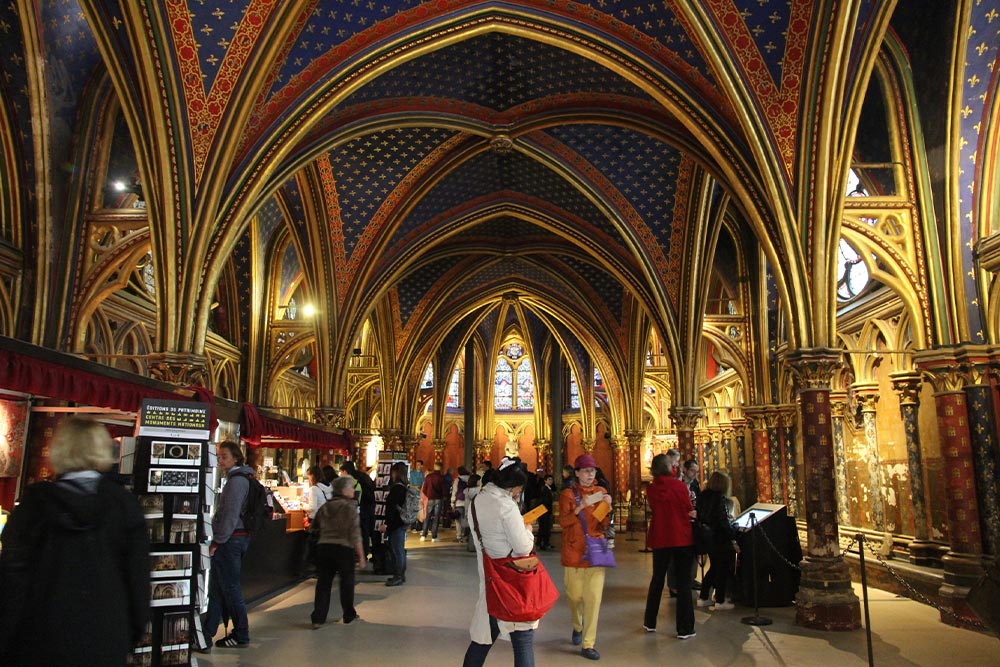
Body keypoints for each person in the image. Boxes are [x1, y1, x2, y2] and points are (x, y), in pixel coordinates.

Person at [0, 417, 150, 667]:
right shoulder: (124, 506)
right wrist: (126, 636)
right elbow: (138, 580)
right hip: (104, 639)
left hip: (39, 639)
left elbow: (12, 580)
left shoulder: (34, 505)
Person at [463, 457, 538, 667]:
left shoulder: (478, 500)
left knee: (482, 639)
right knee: (523, 640)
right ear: (513, 486)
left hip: (488, 578)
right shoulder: (506, 506)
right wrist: (528, 531)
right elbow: (522, 547)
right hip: (511, 581)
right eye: (518, 488)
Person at [558, 454, 613, 661]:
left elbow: (604, 523)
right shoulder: (567, 495)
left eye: (593, 471)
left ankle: (588, 643)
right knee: (574, 596)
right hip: (574, 551)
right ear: (578, 473)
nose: (591, 475)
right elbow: (563, 522)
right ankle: (577, 625)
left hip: (596, 550)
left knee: (593, 598)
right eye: (587, 471)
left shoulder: (601, 492)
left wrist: (607, 506)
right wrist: (580, 508)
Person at [202, 440, 255, 649]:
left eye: (224, 456)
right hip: (235, 539)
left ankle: (241, 633)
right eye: (218, 456)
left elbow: (230, 516)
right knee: (217, 588)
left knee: (230, 588)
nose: (220, 460)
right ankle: (206, 634)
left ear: (235, 458)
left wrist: (218, 541)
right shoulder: (239, 479)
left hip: (231, 540)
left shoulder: (237, 482)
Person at [643, 453, 696, 638]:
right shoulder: (679, 486)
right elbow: (688, 508)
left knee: (657, 579)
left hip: (660, 536)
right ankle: (684, 628)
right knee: (683, 582)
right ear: (669, 467)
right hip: (680, 537)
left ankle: (650, 622)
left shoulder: (651, 489)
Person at [310, 475, 365, 627]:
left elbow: (314, 527)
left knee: (323, 583)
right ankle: (348, 614)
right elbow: (355, 534)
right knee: (347, 583)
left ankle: (318, 618)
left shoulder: (325, 507)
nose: (353, 490)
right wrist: (361, 556)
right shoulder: (349, 508)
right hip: (343, 548)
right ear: (344, 490)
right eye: (351, 487)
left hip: (324, 547)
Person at [696, 472, 740, 611]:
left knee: (714, 567)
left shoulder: (702, 496)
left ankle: (703, 597)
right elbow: (723, 521)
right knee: (722, 569)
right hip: (719, 538)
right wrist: (733, 535)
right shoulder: (719, 498)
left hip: (707, 537)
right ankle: (720, 600)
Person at [342, 460, 376, 562]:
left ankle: (362, 554)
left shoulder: (351, 479)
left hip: (361, 507)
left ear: (345, 471)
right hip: (371, 505)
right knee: (368, 531)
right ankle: (368, 553)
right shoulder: (363, 476)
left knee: (361, 531)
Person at [385, 461, 409, 586]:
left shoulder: (397, 489)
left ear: (396, 473)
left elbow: (392, 508)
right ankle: (400, 574)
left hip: (397, 523)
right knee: (399, 549)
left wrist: (388, 524)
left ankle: (398, 575)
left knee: (397, 550)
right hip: (401, 522)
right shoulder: (404, 487)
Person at [421, 461, 446, 541]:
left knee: (427, 516)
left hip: (430, 499)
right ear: (441, 468)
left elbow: (424, 489)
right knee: (436, 517)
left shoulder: (428, 477)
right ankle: (434, 536)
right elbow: (444, 490)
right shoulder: (441, 478)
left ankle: (423, 535)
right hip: (439, 499)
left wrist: (428, 495)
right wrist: (444, 496)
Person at [537, 473, 556, 550]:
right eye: (549, 479)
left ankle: (541, 542)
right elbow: (545, 501)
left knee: (544, 528)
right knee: (544, 528)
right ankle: (543, 543)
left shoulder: (548, 489)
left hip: (545, 511)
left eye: (551, 479)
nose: (551, 481)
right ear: (545, 481)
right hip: (544, 511)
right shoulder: (544, 489)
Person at [452, 466, 471, 543]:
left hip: (459, 502)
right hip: (469, 502)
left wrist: (452, 502)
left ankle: (459, 536)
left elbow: (454, 491)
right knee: (468, 519)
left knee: (458, 520)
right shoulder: (470, 479)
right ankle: (467, 536)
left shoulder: (457, 480)